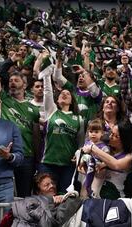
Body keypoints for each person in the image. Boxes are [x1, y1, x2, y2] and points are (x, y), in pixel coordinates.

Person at [38, 59, 84, 194]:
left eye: (68, 94)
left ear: (72, 100)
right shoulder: (51, 111)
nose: (64, 93)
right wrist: (46, 75)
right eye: (61, 94)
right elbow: (47, 93)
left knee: (65, 198)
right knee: (46, 196)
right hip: (48, 162)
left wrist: (79, 155)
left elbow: (80, 144)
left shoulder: (79, 119)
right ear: (57, 100)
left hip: (67, 165)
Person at [0, 71, 40, 198]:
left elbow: (36, 135)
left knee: (24, 196)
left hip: (26, 156)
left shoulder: (34, 109)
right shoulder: (4, 100)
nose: (12, 83)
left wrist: (36, 158)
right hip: (3, 155)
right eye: (10, 81)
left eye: (16, 80)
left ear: (25, 85)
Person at [82, 119, 132, 199]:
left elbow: (116, 164)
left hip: (114, 196)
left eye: (115, 136)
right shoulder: (105, 147)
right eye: (111, 133)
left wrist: (93, 147)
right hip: (94, 191)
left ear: (124, 139)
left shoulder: (129, 156)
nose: (110, 137)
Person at [0, 92, 24, 224]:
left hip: (4, 186)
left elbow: (20, 158)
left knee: (4, 224)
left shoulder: (11, 126)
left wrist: (9, 156)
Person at [80, 119, 110, 198]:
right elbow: (82, 156)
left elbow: (108, 160)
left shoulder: (103, 147)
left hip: (98, 173)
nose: (93, 134)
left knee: (94, 192)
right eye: (91, 131)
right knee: (83, 193)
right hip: (87, 172)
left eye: (96, 132)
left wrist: (102, 165)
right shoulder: (87, 143)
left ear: (102, 133)